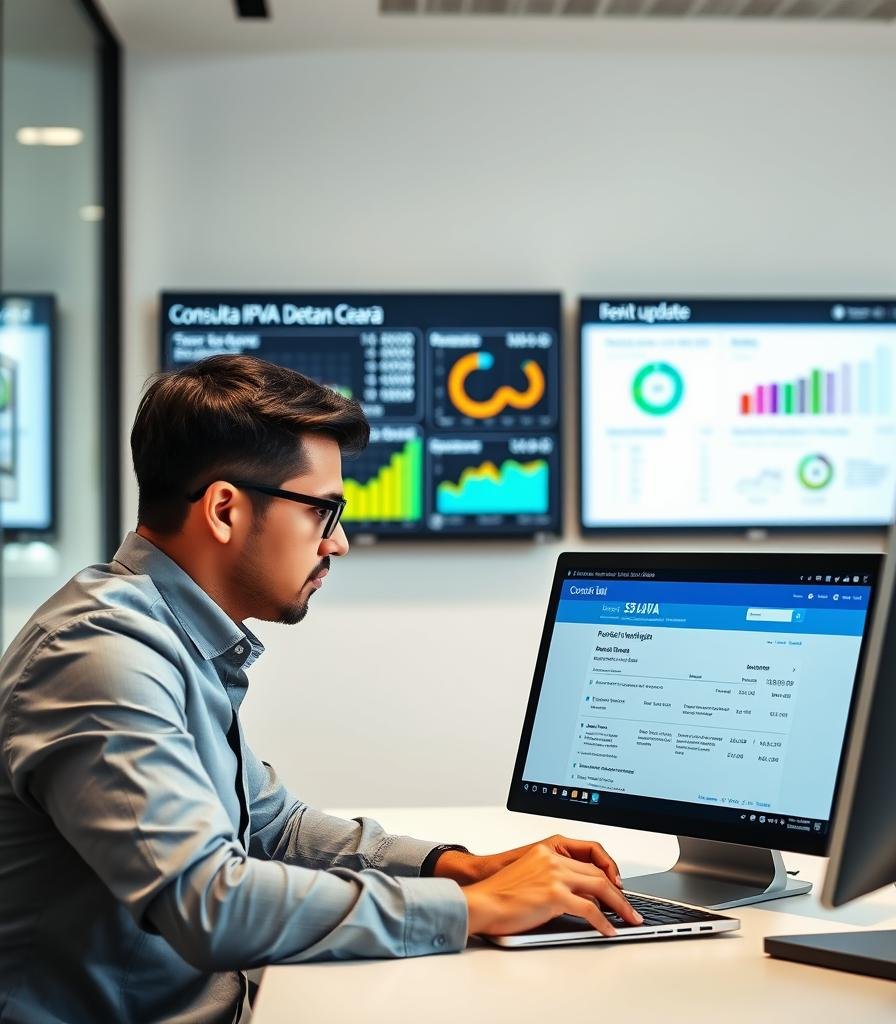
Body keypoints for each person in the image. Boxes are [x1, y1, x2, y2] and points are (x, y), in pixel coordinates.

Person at [0, 354, 640, 1024]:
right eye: (323, 512)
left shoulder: (168, 635)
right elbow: (209, 905)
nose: (337, 546)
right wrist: (477, 909)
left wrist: (459, 868)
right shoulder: (100, 657)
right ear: (224, 509)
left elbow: (274, 828)